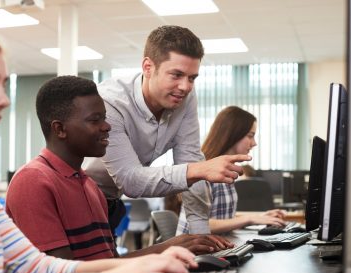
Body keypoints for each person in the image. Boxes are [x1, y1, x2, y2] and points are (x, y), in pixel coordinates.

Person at [0, 22, 197, 273]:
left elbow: (35, 266)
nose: (3, 99)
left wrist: (142, 265)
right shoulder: (33, 180)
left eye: (2, 85)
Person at [6, 75, 233, 261]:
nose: (107, 126)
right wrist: (162, 252)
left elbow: (109, 262)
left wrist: (172, 247)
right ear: (60, 129)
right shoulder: (33, 181)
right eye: (95, 120)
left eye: (104, 118)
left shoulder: (89, 186)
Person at [83, 25, 251, 235]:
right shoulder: (109, 102)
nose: (185, 86)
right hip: (78, 201)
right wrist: (198, 169)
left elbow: (189, 157)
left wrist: (202, 237)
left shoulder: (184, 95)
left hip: (111, 202)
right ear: (147, 67)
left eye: (192, 77)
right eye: (176, 75)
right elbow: (130, 181)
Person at [177, 106, 286, 234]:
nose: (254, 143)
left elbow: (223, 219)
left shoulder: (227, 171)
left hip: (217, 247)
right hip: (192, 252)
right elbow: (197, 225)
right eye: (250, 136)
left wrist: (260, 217)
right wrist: (249, 219)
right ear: (233, 135)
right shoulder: (203, 171)